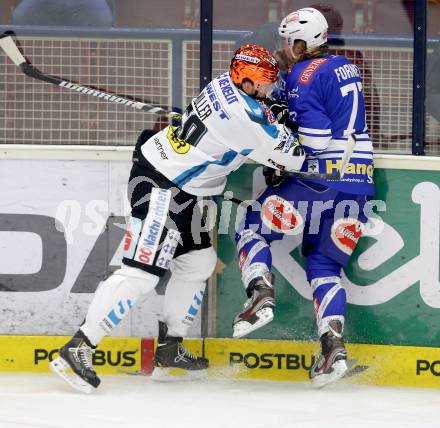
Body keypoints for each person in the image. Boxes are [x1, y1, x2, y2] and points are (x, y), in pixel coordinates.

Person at [50, 44, 306, 393]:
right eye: (264, 84)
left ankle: (170, 348)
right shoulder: (245, 118)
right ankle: (78, 347)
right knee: (140, 272)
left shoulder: (223, 84)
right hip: (163, 185)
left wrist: (269, 111)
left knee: (199, 263)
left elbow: (258, 121)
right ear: (246, 81)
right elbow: (293, 157)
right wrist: (280, 120)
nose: (268, 90)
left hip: (188, 190)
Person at [232, 8, 375, 388]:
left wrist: (282, 137)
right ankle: (333, 352)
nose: (284, 47)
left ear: (303, 41)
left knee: (250, 227)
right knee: (326, 268)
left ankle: (261, 293)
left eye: (288, 40)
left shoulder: (302, 74)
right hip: (359, 185)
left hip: (318, 181)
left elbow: (315, 141)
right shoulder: (345, 66)